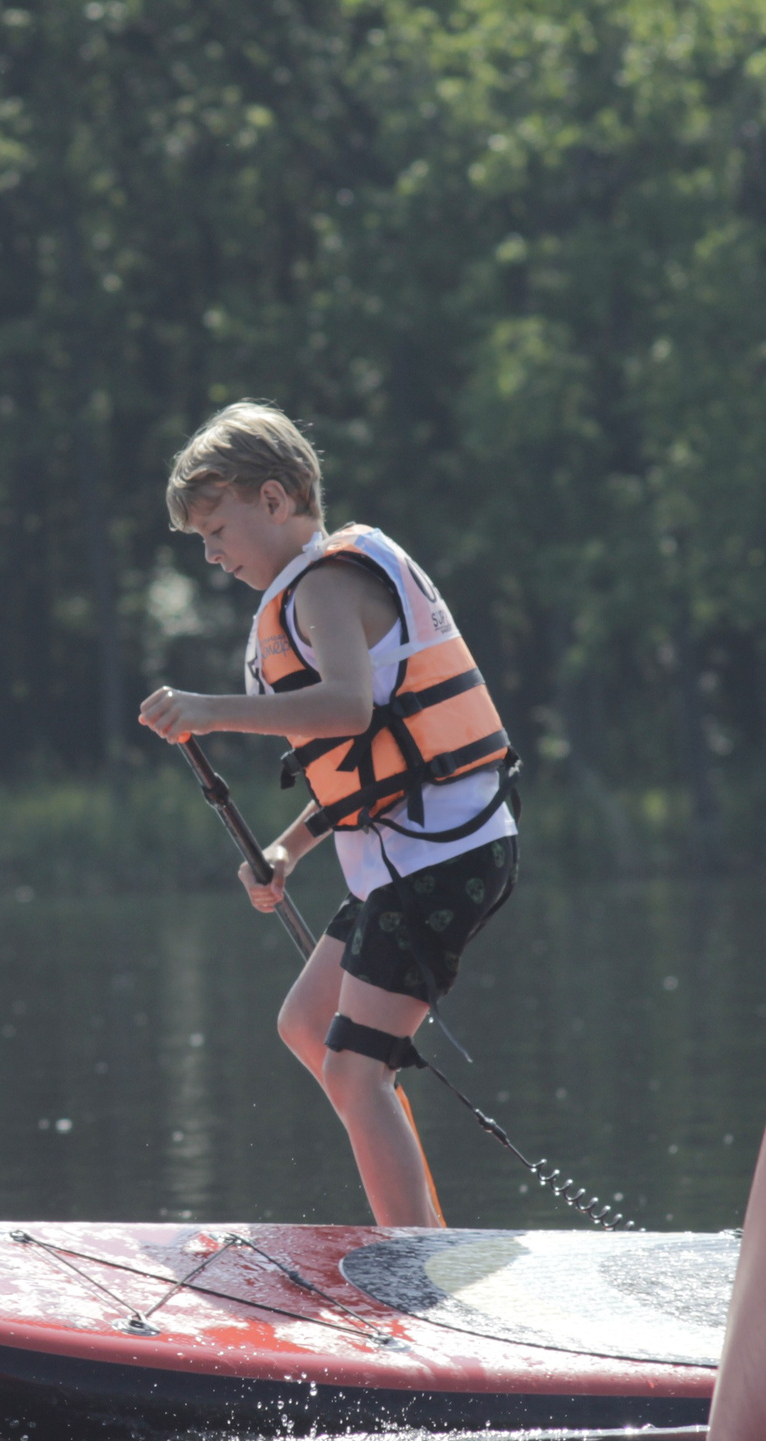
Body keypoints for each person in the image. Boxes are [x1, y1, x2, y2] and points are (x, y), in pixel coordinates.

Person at [137, 402, 516, 1228]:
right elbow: (369, 762)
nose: (211, 554)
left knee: (352, 1069)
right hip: (410, 855)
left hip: (444, 858)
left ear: (273, 500)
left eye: (218, 530)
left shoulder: (326, 587)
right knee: (309, 1025)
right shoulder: (307, 593)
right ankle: (419, 1229)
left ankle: (415, 1267)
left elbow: (345, 709)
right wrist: (290, 846)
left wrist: (207, 708)